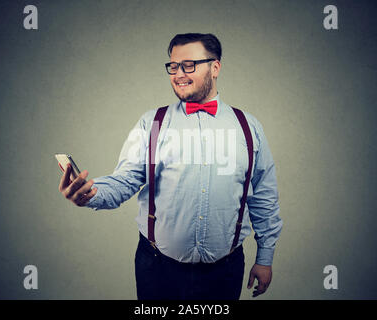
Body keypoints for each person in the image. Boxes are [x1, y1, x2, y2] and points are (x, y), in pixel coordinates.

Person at [58, 33, 283, 300]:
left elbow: (264, 198)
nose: (179, 74)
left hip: (226, 270)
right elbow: (126, 179)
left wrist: (265, 258)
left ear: (215, 67)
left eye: (189, 65)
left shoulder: (249, 127)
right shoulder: (151, 123)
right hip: (157, 268)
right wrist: (92, 193)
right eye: (173, 66)